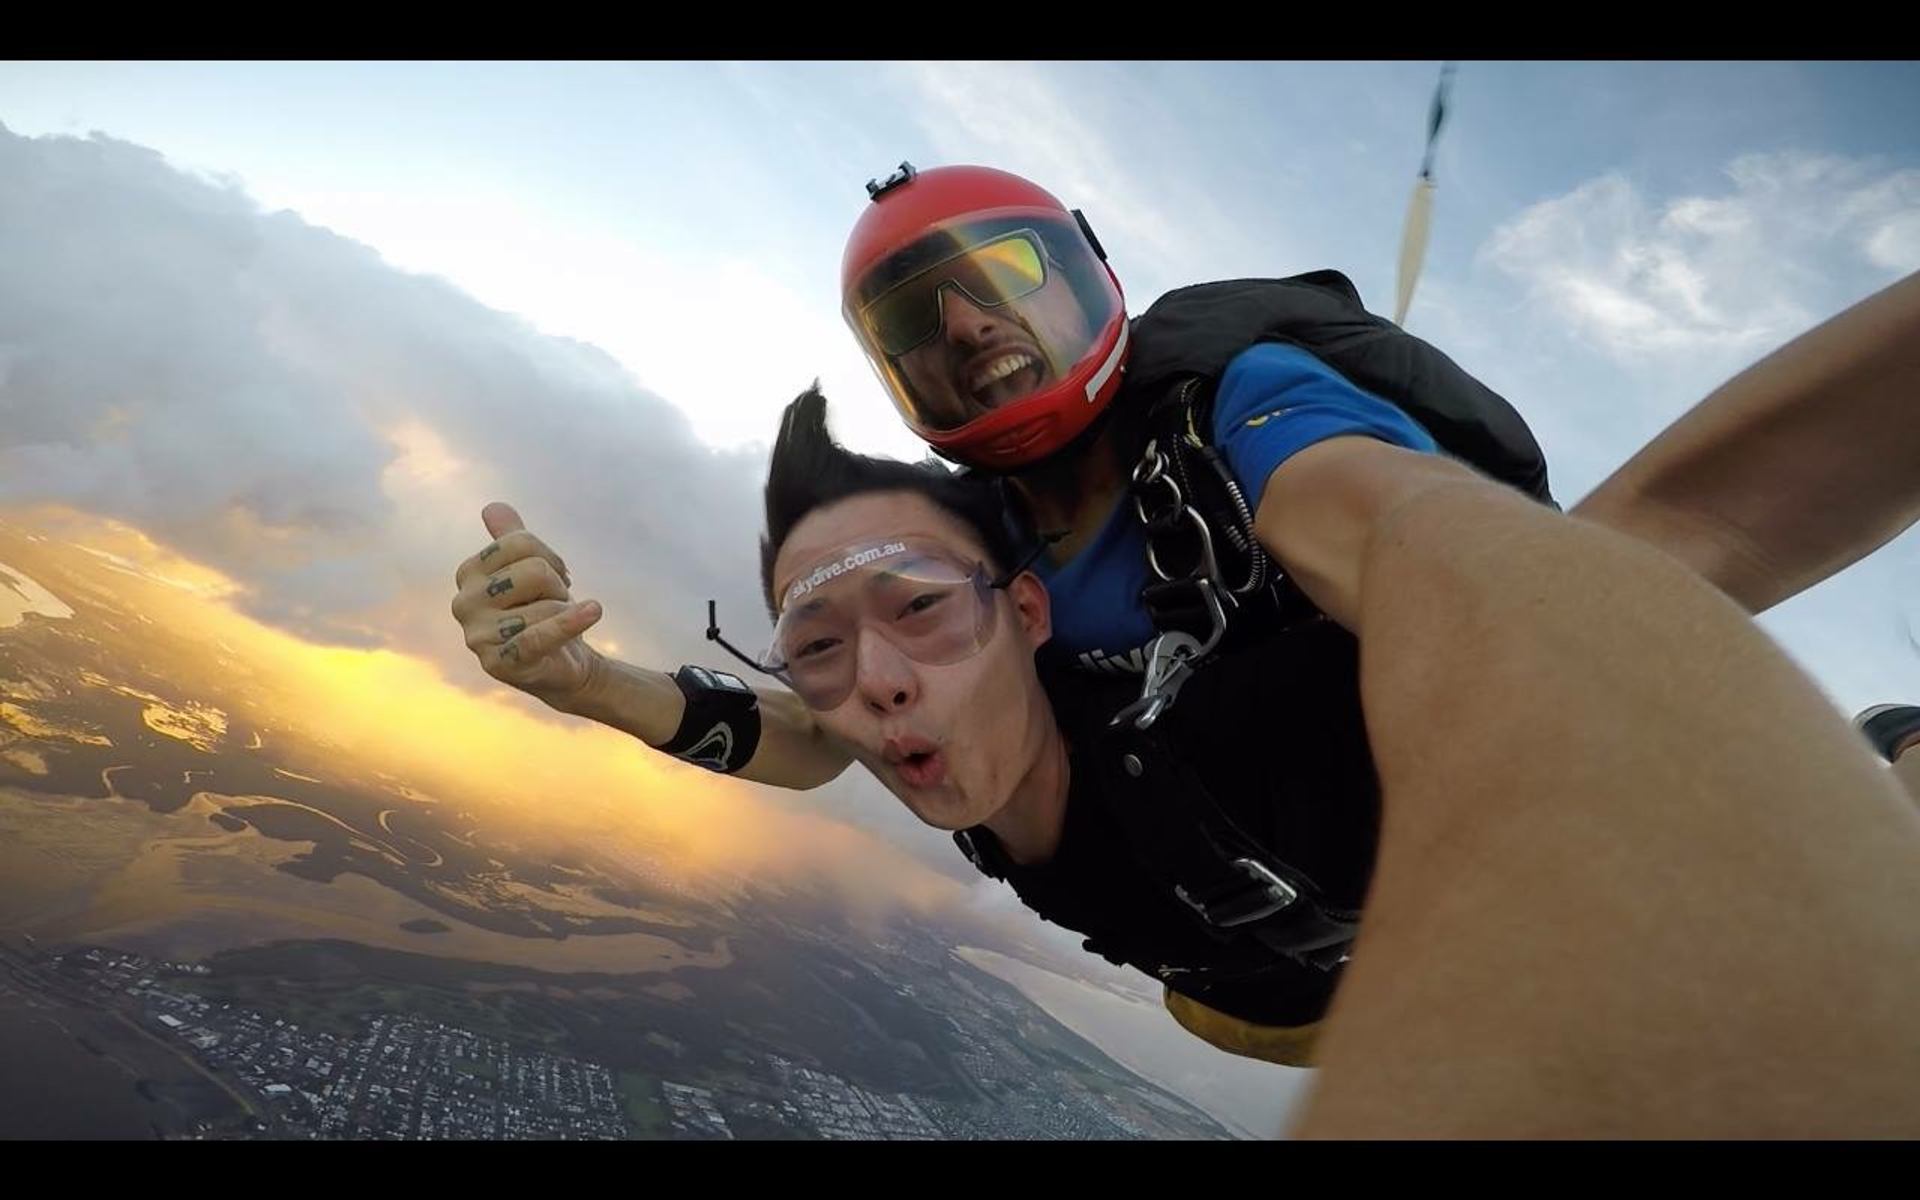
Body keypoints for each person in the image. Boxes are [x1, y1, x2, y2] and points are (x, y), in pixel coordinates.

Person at [449, 162, 1920, 1061]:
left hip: (1412, 880)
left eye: (1003, 278)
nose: (966, 324)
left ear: (1092, 278)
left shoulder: (1239, 409)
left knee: (1595, 586)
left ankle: (1883, 763)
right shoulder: (954, 556)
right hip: (1242, 985)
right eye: (917, 324)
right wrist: (598, 689)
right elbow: (831, 735)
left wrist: (1537, 612)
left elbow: (1392, 526)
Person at [736, 385, 1920, 1137]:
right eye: (818, 646)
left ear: (1029, 613)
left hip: (1336, 957)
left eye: (922, 609)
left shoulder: (1255, 738)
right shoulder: (921, 731)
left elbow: (1668, 539)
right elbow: (803, 737)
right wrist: (632, 700)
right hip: (1233, 1005)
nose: (878, 681)